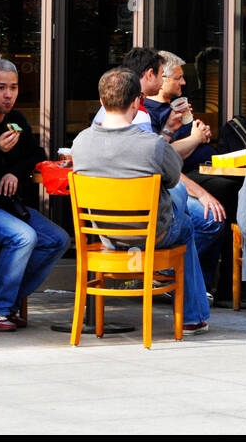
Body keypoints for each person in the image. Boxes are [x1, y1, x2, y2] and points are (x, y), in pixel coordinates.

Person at [71, 67, 211, 334]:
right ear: (137, 102)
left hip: (105, 236)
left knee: (178, 199)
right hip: (153, 235)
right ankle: (193, 316)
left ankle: (192, 311)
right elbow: (172, 179)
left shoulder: (80, 143)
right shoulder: (152, 145)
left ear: (102, 101)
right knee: (184, 215)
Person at [0, 58, 70, 332]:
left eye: (14, 88)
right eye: (1, 88)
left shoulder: (16, 120)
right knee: (24, 237)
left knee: (57, 239)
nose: (8, 95)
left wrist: (15, 172)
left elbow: (36, 155)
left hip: (8, 205)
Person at [145, 50, 235, 299]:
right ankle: (188, 280)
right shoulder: (149, 114)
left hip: (204, 167)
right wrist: (195, 139)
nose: (184, 83)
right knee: (222, 200)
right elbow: (161, 158)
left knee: (237, 191)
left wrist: (199, 136)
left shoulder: (176, 108)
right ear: (160, 78)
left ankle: (217, 283)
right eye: (178, 78)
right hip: (182, 178)